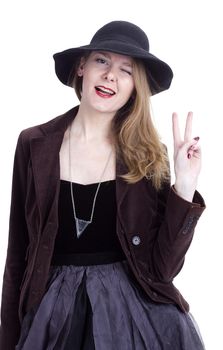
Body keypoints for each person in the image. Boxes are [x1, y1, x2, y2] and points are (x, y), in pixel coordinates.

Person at [0, 20, 206, 350]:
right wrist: (7, 339)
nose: (111, 75)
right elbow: (17, 255)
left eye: (127, 70)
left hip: (131, 318)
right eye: (102, 60)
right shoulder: (33, 144)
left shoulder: (149, 157)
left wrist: (184, 185)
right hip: (52, 315)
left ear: (135, 87)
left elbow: (163, 270)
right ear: (82, 66)